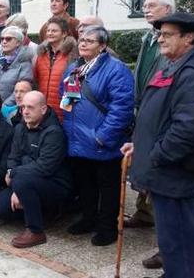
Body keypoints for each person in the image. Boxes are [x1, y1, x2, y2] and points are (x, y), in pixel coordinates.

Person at [123, 12, 194, 278]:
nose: (160, 40)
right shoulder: (173, 64)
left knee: (181, 243)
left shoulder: (191, 73)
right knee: (172, 243)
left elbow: (187, 130)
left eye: (167, 35)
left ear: (189, 37)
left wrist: (155, 155)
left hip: (177, 176)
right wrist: (139, 145)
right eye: (159, 34)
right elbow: (159, 116)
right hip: (167, 175)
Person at [60, 26, 134, 246]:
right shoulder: (74, 69)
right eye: (81, 40)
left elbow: (122, 108)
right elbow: (66, 100)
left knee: (108, 187)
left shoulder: (116, 69)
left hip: (102, 141)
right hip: (77, 140)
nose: (83, 44)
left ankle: (107, 227)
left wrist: (103, 136)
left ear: (102, 46)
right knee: (85, 185)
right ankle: (88, 219)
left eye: (90, 41)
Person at [0, 91, 72, 248]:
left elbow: (44, 167)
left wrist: (14, 175)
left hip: (55, 183)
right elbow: (13, 157)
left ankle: (36, 230)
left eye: (30, 108)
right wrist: (15, 182)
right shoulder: (20, 127)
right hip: (26, 180)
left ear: (43, 109)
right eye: (23, 107)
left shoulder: (54, 132)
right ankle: (36, 209)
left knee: (22, 182)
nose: (25, 111)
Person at [125, 0, 174, 238]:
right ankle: (143, 212)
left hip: (161, 109)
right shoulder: (149, 37)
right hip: (143, 105)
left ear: (167, 9)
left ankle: (158, 218)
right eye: (144, 4)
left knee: (155, 162)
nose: (146, 8)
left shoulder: (171, 39)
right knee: (142, 158)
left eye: (152, 5)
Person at [34, 17, 78, 122]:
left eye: (54, 31)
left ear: (64, 34)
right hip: (43, 112)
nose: (50, 33)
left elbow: (73, 87)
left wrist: (67, 113)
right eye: (48, 31)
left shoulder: (72, 55)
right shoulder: (41, 54)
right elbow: (36, 81)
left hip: (62, 113)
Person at [0, 26, 33, 106]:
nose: (4, 41)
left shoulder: (24, 63)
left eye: (8, 39)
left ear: (18, 42)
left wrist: (3, 106)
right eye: (2, 39)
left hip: (10, 109)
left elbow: (22, 91)